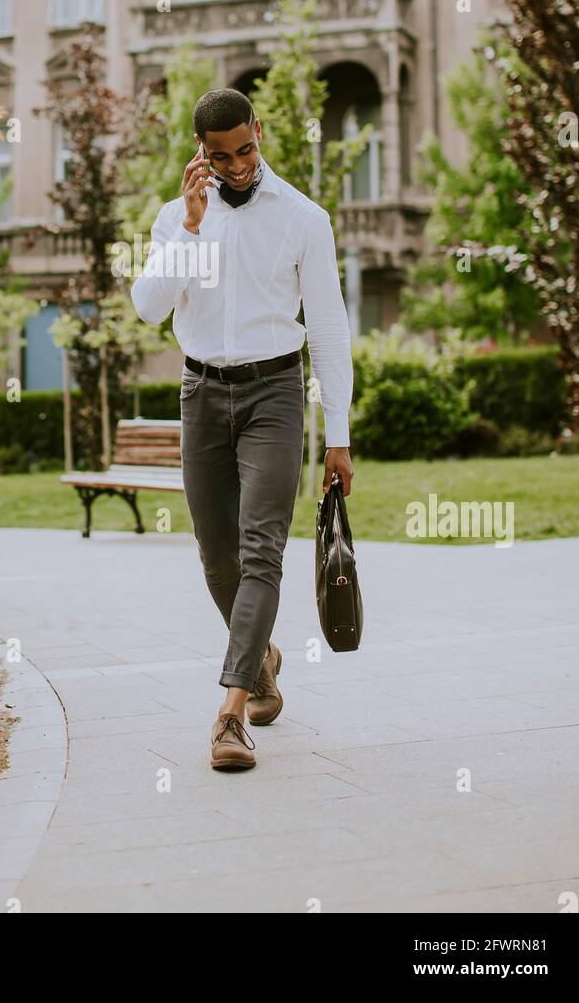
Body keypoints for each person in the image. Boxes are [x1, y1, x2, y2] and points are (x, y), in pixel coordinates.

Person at [130, 88, 354, 772]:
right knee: (217, 558)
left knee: (263, 552)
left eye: (245, 149)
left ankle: (230, 715)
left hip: (275, 395)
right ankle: (261, 657)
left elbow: (328, 327)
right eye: (220, 156)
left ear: (259, 131)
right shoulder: (178, 218)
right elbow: (147, 308)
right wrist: (193, 229)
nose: (235, 166)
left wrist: (338, 432)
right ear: (201, 151)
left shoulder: (304, 219)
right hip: (202, 393)